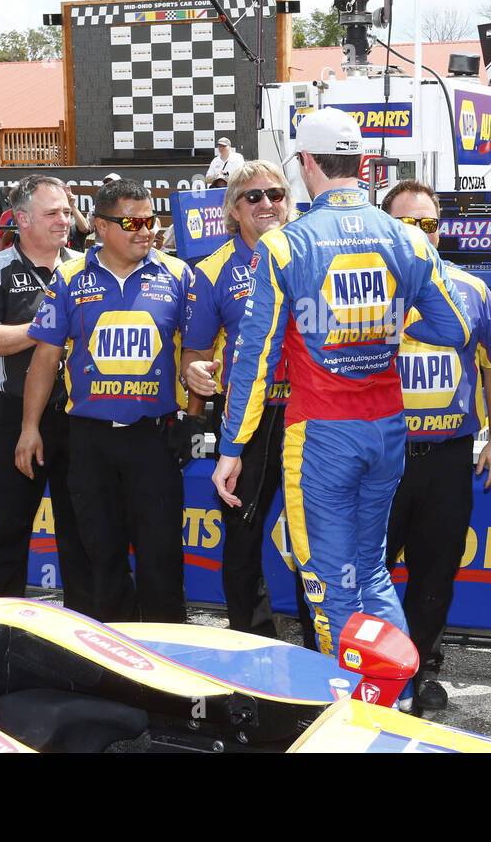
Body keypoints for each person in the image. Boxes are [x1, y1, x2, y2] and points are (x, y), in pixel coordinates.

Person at [211, 107, 471, 660]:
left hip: (322, 437)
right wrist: (392, 318)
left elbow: (254, 362)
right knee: (371, 571)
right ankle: (394, 693)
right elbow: (454, 327)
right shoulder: (408, 239)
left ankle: (350, 712)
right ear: (361, 161)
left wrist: (232, 447)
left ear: (307, 163)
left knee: (329, 584)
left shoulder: (284, 244)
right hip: (387, 431)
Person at [17, 179, 192, 623]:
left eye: (151, 220)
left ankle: (170, 669)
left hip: (154, 441)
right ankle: (114, 667)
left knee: (161, 561)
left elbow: (196, 351)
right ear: (99, 226)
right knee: (101, 560)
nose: (145, 230)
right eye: (132, 221)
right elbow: (45, 357)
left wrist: (193, 412)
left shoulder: (178, 274)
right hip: (89, 442)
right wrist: (29, 428)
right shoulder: (70, 278)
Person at [383, 179, 491, 712]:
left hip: (447, 457)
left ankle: (420, 667)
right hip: (379, 458)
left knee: (436, 572)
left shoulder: (472, 290)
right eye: (406, 224)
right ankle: (370, 668)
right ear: (386, 226)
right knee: (370, 569)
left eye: (428, 224)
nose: (418, 234)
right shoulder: (361, 293)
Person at [181, 160, 303, 640]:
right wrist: (192, 373)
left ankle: (324, 640)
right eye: (254, 197)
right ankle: (254, 640)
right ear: (234, 209)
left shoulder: (310, 253)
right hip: (243, 421)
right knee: (243, 533)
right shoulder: (212, 269)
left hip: (307, 414)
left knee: (315, 532)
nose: (267, 204)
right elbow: (194, 352)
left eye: (275, 194)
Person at [0, 175, 92, 615]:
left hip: (79, 416)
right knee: (9, 528)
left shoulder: (84, 266)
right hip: (14, 415)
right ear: (22, 220)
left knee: (81, 531)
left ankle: (87, 633)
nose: (65, 220)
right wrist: (46, 329)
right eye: (52, 213)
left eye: (66, 210)